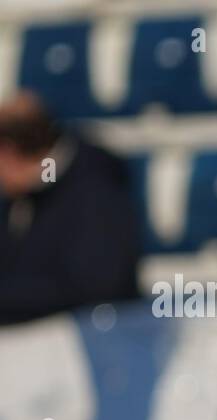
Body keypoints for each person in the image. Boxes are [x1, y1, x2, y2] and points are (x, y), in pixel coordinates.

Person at [0, 91, 139, 325]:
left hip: (92, 344)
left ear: (8, 152)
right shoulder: (32, 187)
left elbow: (94, 288)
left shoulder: (96, 189)